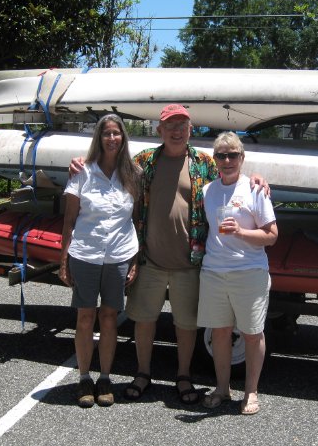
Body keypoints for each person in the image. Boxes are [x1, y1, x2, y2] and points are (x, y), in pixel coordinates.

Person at [70, 104, 269, 405]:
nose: (176, 131)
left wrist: (258, 177)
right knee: (144, 319)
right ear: (160, 130)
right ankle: (143, 373)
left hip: (190, 261)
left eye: (182, 125)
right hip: (149, 258)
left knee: (186, 324)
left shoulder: (205, 163)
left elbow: (234, 173)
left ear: (191, 130)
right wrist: (81, 161)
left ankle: (184, 375)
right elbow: (109, 162)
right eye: (170, 125)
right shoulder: (143, 162)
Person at [59, 113, 141, 408]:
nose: (111, 138)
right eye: (106, 133)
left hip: (119, 255)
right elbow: (69, 221)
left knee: (109, 318)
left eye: (116, 133)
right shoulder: (82, 172)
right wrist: (63, 260)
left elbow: (137, 221)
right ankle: (83, 378)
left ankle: (104, 377)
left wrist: (135, 259)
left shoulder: (133, 174)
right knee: (85, 317)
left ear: (123, 138)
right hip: (85, 254)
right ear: (99, 138)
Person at [198, 131, 278, 416]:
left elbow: (271, 235)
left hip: (249, 271)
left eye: (233, 155)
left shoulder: (255, 189)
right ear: (215, 159)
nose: (227, 160)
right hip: (214, 271)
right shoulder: (208, 191)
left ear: (242, 158)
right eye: (222, 155)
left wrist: (242, 232)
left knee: (252, 333)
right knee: (219, 332)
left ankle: (251, 392)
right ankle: (222, 388)